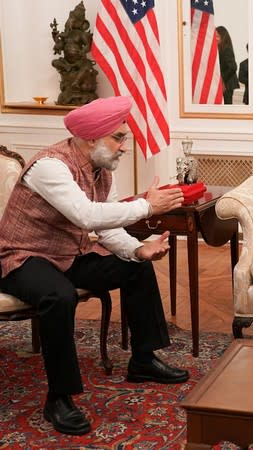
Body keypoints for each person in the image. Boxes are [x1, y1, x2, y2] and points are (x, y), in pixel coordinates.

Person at [0, 96, 189, 436]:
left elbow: (106, 226)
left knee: (136, 266)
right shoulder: (50, 167)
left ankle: (143, 360)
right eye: (118, 137)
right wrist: (147, 206)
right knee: (59, 297)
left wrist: (137, 250)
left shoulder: (102, 170)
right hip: (23, 255)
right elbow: (86, 215)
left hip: (68, 254)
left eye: (124, 138)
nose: (124, 146)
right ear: (90, 139)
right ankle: (59, 397)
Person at [215, 26, 240, 105]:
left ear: (223, 37)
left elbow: (233, 67)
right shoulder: (219, 48)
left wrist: (222, 79)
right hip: (223, 82)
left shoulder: (226, 49)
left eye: (217, 36)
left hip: (227, 84)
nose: (215, 38)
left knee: (227, 106)